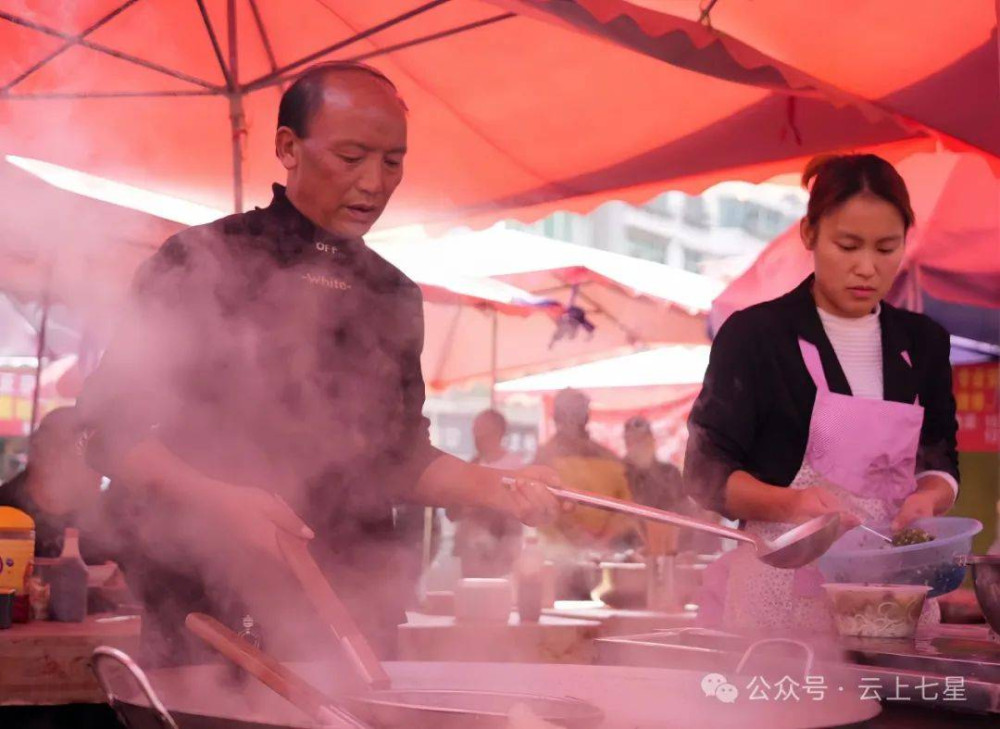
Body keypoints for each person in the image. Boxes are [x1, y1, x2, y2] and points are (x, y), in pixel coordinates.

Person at [76, 61, 561, 665]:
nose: (375, 183)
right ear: (288, 148)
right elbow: (107, 432)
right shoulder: (203, 261)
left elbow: (397, 460)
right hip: (208, 607)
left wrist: (496, 487)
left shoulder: (392, 294)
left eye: (393, 161)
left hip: (355, 605)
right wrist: (219, 500)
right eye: (352, 156)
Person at [685, 154, 959, 634]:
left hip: (891, 600)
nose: (867, 268)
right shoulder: (756, 335)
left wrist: (929, 499)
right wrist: (789, 505)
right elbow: (707, 473)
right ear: (809, 234)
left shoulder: (923, 342)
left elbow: (940, 454)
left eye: (886, 248)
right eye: (848, 245)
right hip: (779, 598)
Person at [0, 407, 107, 560]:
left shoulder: (105, 522)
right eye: (87, 456)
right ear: (46, 453)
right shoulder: (4, 510)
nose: (100, 472)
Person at [535, 389, 636, 552]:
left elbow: (625, 507)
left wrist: (605, 538)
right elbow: (541, 506)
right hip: (557, 556)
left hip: (602, 554)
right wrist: (579, 536)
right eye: (570, 412)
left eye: (578, 412)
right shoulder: (544, 459)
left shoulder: (609, 459)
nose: (574, 419)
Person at [450, 410, 526, 577]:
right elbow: (454, 510)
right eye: (475, 430)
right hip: (472, 548)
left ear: (498, 433)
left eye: (482, 430)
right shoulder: (472, 465)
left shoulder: (514, 466)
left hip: (503, 547)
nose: (477, 436)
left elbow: (517, 508)